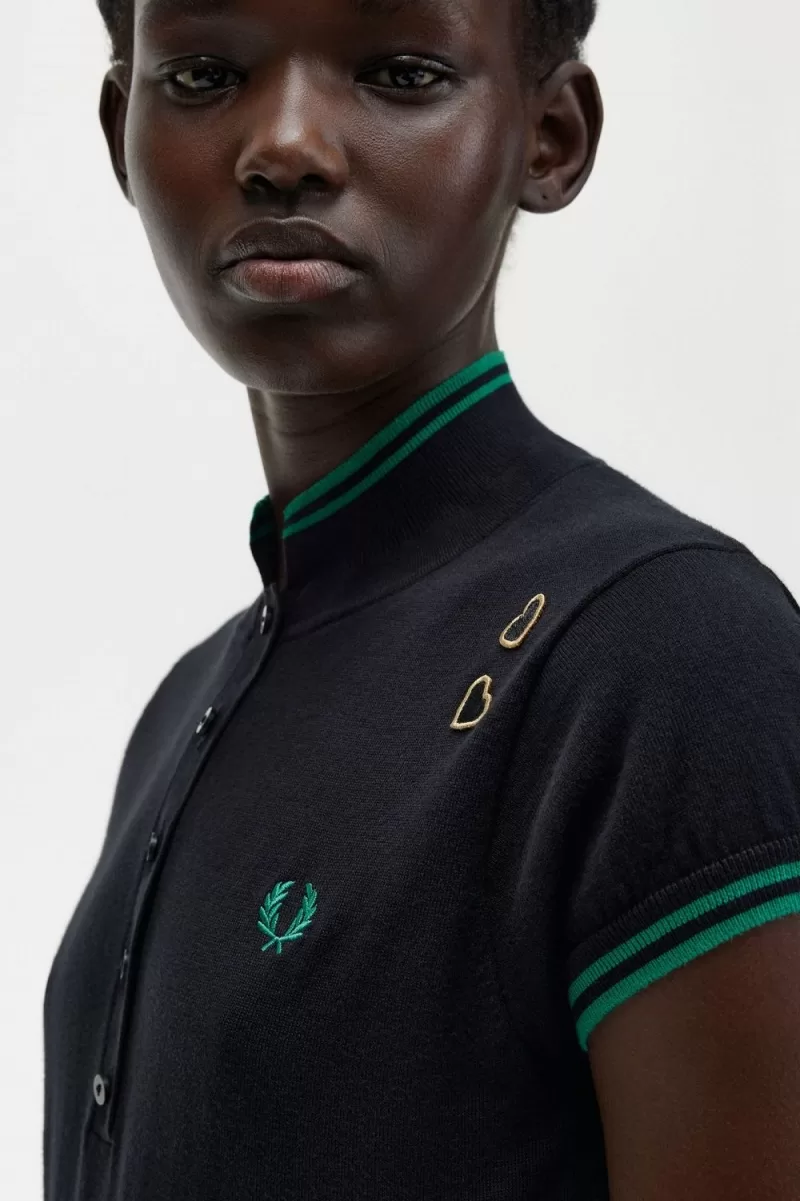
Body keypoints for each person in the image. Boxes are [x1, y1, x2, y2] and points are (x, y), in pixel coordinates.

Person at [43, 0, 800, 1198]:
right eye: (201, 75)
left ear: (549, 137)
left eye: (398, 72)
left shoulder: (668, 658)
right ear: (118, 129)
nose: (283, 146)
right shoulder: (184, 707)